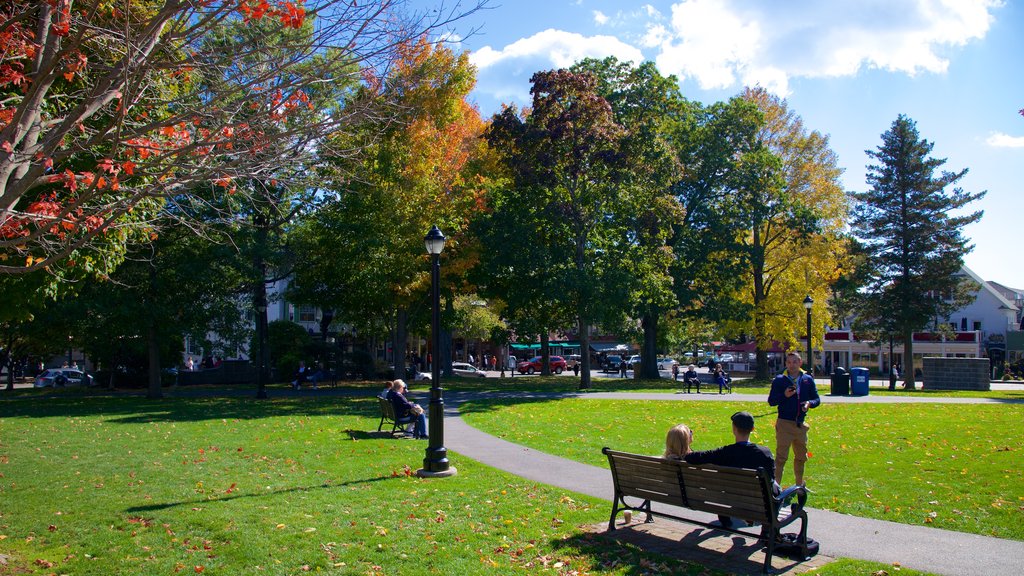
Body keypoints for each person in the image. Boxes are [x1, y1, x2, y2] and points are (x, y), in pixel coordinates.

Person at [684, 411, 775, 528]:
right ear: (752, 429)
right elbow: (771, 480)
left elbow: (696, 457)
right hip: (760, 503)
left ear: (734, 429)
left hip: (731, 499)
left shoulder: (724, 453)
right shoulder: (765, 453)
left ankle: (725, 518)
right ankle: (768, 531)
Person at [768, 352, 821, 487]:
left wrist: (809, 403)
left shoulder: (807, 379)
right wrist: (784, 395)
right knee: (781, 458)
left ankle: (799, 485)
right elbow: (772, 401)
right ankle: (776, 488)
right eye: (789, 362)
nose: (792, 365)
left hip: (800, 424)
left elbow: (817, 399)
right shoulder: (780, 380)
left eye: (794, 362)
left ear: (800, 363)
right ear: (786, 364)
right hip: (784, 423)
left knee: (801, 457)